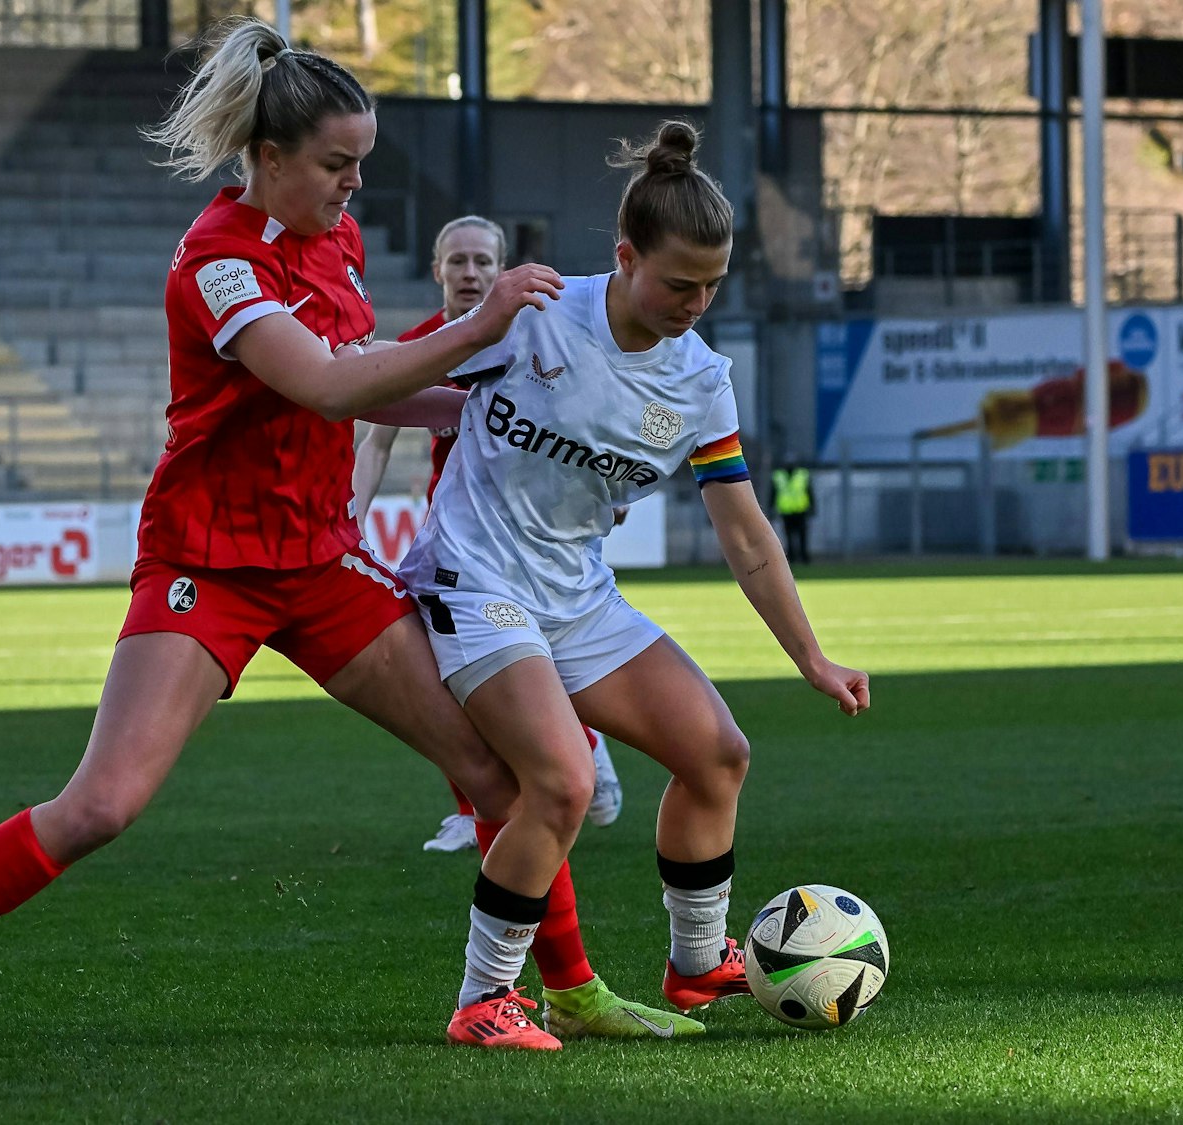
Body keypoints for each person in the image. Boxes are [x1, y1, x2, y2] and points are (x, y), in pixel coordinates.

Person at [0, 20, 681, 1077]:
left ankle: (565, 988)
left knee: (498, 772)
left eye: (360, 163)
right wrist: (480, 323)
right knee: (100, 807)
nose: (354, 185)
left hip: (316, 560)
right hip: (206, 564)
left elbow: (365, 372)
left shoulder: (335, 239)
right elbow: (321, 382)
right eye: (334, 164)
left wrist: (486, 405)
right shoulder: (215, 263)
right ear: (267, 160)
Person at [400, 121, 871, 1051]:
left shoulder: (702, 381)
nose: (696, 302)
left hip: (576, 596)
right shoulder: (534, 314)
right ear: (623, 257)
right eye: (678, 281)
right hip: (476, 576)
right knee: (563, 782)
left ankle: (697, 965)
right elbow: (384, 380)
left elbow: (745, 532)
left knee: (719, 753)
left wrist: (811, 657)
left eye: (713, 285)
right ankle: (484, 998)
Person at [351, 215, 623, 855]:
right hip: (461, 544)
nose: (470, 273)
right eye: (458, 261)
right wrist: (352, 516)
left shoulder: (538, 335)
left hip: (537, 534)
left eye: (482, 261)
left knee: (539, 662)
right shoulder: (421, 344)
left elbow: (585, 421)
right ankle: (476, 808)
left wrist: (608, 487)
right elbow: (377, 440)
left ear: (501, 270)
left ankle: (584, 744)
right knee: (448, 671)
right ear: (437, 270)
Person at [772, 461, 815, 564]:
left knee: (802, 535)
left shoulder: (802, 474)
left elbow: (809, 491)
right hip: (786, 511)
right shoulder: (778, 476)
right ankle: (792, 557)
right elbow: (773, 493)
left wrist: (812, 506)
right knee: (788, 536)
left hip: (801, 510)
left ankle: (804, 557)